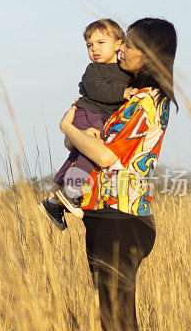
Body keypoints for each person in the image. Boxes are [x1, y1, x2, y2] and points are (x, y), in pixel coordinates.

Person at [59, 18, 178, 331]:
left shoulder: (145, 100)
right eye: (122, 42)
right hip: (107, 216)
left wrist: (68, 129)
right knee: (114, 323)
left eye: (130, 45)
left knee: (120, 325)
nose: (122, 49)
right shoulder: (129, 96)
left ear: (151, 55)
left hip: (121, 219)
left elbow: (106, 156)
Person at [39, 19, 137, 230]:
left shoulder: (125, 71)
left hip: (95, 115)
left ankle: (53, 199)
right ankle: (71, 191)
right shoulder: (94, 70)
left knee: (76, 155)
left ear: (119, 44)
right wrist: (123, 93)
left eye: (101, 43)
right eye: (90, 46)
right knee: (91, 153)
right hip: (89, 114)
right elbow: (95, 90)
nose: (95, 49)